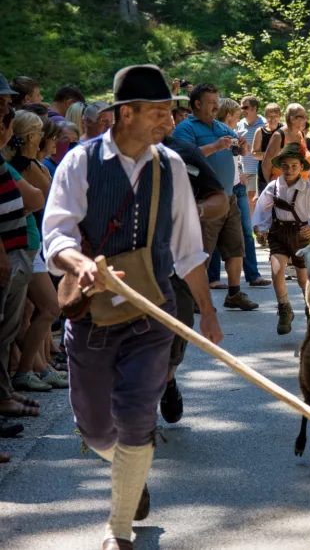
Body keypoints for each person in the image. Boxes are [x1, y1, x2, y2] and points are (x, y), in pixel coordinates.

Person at [41, 64, 223, 550]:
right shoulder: (80, 163)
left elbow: (188, 250)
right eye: (158, 111)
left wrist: (206, 311)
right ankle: (131, 471)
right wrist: (81, 263)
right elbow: (55, 234)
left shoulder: (171, 165)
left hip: (152, 314)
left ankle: (118, 529)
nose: (168, 120)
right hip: (93, 316)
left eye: (170, 111)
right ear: (125, 114)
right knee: (95, 426)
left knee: (138, 415)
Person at [161, 111, 229, 424]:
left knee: (178, 326)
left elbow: (220, 200)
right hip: (122, 270)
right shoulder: (98, 159)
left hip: (176, 260)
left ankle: (167, 379)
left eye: (164, 111)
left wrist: (193, 211)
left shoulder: (181, 155)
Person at [174, 83, 258, 311]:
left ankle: (234, 294)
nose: (215, 106)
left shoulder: (222, 127)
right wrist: (214, 146)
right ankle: (193, 297)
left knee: (235, 246)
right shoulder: (185, 128)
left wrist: (243, 147)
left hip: (228, 196)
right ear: (197, 103)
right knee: (202, 250)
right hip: (204, 198)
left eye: (216, 102)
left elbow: (241, 152)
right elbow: (183, 158)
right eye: (211, 102)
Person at [2, 112, 64, 391]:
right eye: (39, 133)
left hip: (31, 242)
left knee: (28, 311)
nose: (43, 138)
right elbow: (45, 197)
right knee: (42, 308)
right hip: (22, 243)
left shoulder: (24, 164)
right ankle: (26, 370)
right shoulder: (22, 165)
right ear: (29, 137)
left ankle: (35, 367)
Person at [252, 143, 310, 334]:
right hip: (278, 234)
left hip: (300, 236)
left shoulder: (308, 189)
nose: (289, 170)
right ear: (279, 167)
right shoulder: (273, 187)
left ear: (301, 167)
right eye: (285, 166)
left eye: (293, 166)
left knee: (303, 279)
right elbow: (262, 209)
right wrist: (262, 229)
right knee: (276, 271)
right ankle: (284, 308)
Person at [0, 104, 44, 429]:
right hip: (8, 254)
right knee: (4, 331)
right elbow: (36, 197)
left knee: (7, 331)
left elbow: (39, 196)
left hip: (16, 250)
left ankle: (4, 392)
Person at [206, 98, 269, 289]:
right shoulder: (213, 133)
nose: (239, 118)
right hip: (219, 188)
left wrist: (240, 168)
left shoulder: (233, 133)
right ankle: (213, 278)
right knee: (215, 233)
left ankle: (253, 275)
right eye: (236, 115)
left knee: (246, 232)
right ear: (228, 115)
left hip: (237, 187)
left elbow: (241, 155)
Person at [262, 103, 310, 186]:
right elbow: (266, 166)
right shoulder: (279, 136)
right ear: (292, 119)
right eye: (303, 117)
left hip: (302, 188)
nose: (306, 120)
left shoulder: (300, 134)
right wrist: (273, 188)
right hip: (283, 189)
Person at [251, 102, 283, 206]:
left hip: (281, 172)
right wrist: (271, 155)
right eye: (269, 116)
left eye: (275, 116)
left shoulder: (284, 129)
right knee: (264, 205)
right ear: (265, 116)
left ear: (280, 116)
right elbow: (254, 154)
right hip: (264, 173)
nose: (272, 119)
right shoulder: (260, 131)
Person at [237, 96, 265, 206]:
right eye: (241, 108)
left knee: (252, 201)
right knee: (243, 203)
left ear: (254, 108)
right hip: (242, 172)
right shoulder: (239, 124)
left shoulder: (264, 124)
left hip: (256, 171)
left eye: (245, 108)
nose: (242, 111)